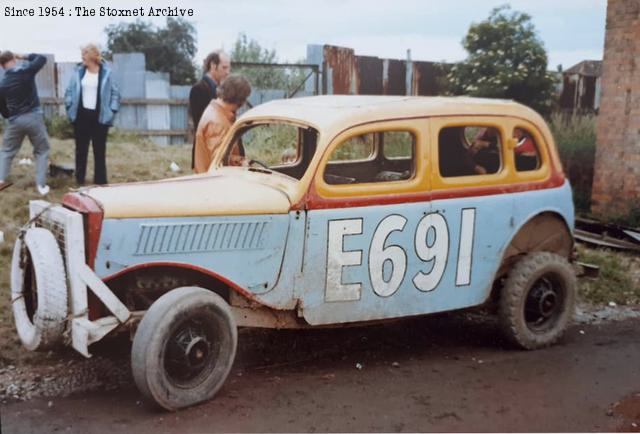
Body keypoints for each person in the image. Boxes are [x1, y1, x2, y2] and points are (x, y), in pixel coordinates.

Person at [64, 43, 120, 185]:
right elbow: (69, 91)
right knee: (81, 151)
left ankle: (100, 182)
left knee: (99, 151)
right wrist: (69, 106)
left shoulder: (107, 72)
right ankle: (79, 180)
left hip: (100, 117)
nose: (82, 57)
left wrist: (111, 111)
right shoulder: (78, 72)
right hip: (81, 116)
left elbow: (115, 94)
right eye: (82, 55)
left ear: (93, 56)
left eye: (85, 54)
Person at [0, 51, 51, 195]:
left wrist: (12, 116)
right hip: (34, 117)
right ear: (13, 60)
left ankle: (1, 180)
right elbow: (41, 58)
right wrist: (23, 56)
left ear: (2, 65)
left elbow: (3, 110)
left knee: (6, 151)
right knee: (42, 150)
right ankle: (41, 186)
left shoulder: (2, 84)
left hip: (15, 121)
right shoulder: (26, 71)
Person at [194, 75, 251, 174]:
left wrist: (238, 160)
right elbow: (219, 163)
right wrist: (242, 164)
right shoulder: (218, 123)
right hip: (214, 184)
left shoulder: (214, 111)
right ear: (240, 100)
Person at [189, 50, 231, 168]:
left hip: (219, 155)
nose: (227, 72)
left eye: (229, 68)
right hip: (207, 155)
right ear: (213, 65)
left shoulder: (221, 90)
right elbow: (203, 127)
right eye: (224, 68)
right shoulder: (199, 89)